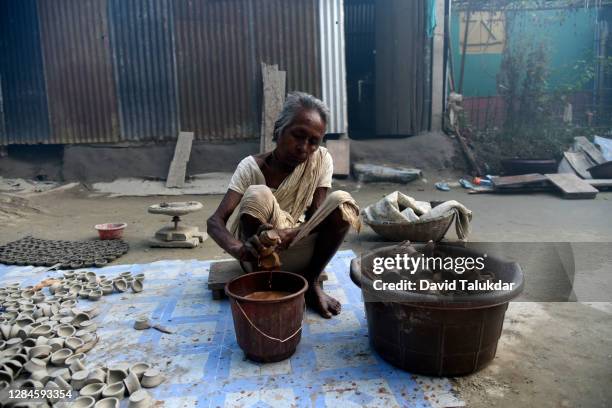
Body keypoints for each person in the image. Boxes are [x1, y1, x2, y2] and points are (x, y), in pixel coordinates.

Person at [207, 92, 360, 318]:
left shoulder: (321, 160)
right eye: (298, 135)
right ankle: (263, 285)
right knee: (258, 194)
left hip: (302, 253)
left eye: (313, 142)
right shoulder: (251, 167)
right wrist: (239, 250)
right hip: (258, 258)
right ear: (278, 129)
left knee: (341, 203)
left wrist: (289, 234)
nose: (303, 147)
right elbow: (215, 222)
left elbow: (316, 219)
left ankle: (311, 282)